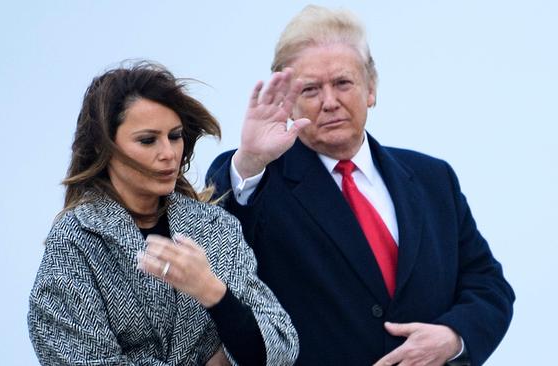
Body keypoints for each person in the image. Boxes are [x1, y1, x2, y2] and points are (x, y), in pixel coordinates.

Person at [206, 5, 514, 366]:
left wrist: (452, 337)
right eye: (310, 89)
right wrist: (251, 160)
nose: (330, 102)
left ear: (371, 88)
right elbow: (222, 249)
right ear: (287, 102)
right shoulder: (257, 177)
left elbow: (488, 285)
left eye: (342, 83)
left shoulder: (433, 179)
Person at [28, 61, 298, 365]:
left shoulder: (217, 228)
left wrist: (213, 293)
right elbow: (77, 357)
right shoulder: (76, 239)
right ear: (104, 147)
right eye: (147, 140)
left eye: (175, 136)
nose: (168, 153)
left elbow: (281, 347)